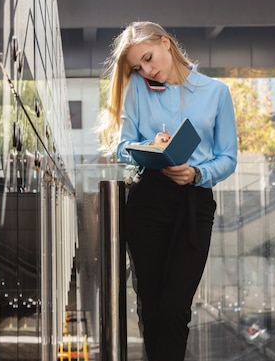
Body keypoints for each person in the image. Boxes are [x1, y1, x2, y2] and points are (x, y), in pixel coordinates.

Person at [96, 21, 238, 360]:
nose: (147, 69)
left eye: (148, 58)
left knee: (176, 307)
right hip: (148, 202)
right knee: (152, 305)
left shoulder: (216, 92)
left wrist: (196, 172)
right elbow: (121, 146)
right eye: (138, 65)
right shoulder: (136, 88)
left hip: (195, 203)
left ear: (165, 43)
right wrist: (151, 145)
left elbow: (228, 158)